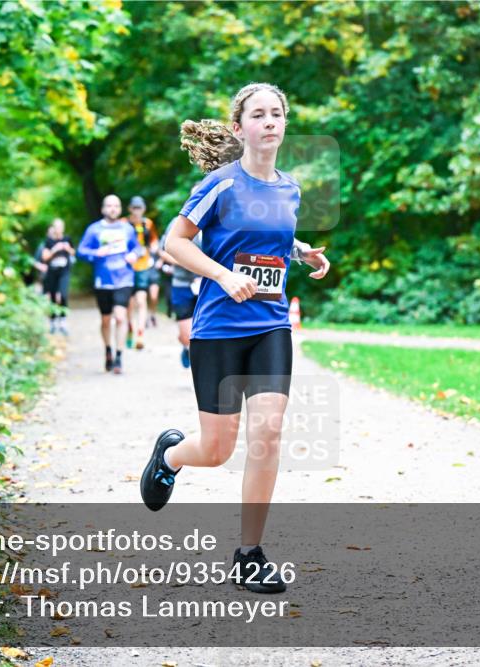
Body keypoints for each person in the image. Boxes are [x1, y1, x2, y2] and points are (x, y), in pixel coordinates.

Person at [139, 83, 331, 594]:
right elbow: (175, 241)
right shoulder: (221, 184)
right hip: (219, 329)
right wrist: (223, 275)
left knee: (267, 434)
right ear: (240, 127)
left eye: (276, 114)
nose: (269, 122)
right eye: (258, 114)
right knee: (217, 449)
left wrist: (300, 251)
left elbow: (269, 236)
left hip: (270, 325)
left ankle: (249, 554)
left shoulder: (289, 189)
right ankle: (170, 456)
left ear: (284, 124)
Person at [77, 195, 140, 374]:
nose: (113, 209)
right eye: (109, 206)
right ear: (103, 209)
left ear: (120, 209)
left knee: (120, 317)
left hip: (124, 278)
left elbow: (137, 247)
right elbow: (81, 251)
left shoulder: (127, 229)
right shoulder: (94, 229)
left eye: (116, 206)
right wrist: (95, 253)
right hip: (103, 281)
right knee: (106, 319)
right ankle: (108, 350)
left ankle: (119, 357)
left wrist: (134, 254)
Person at [159, 219, 202, 368]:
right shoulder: (177, 222)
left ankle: (200, 365)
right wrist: (189, 263)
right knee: (186, 335)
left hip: (207, 284)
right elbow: (163, 252)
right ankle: (186, 347)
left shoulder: (217, 222)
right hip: (182, 284)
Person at [124, 196, 158, 350]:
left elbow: (153, 240)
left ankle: (140, 334)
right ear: (130, 209)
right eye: (134, 208)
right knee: (129, 304)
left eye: (140, 208)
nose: (137, 211)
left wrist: (153, 248)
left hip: (143, 266)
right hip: (127, 267)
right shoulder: (124, 224)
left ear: (143, 209)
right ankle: (130, 328)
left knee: (142, 300)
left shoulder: (148, 223)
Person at [40, 218, 74, 335]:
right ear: (53, 228)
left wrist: (67, 248)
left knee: (63, 295)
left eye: (60, 226)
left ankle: (63, 322)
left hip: (64, 271)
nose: (58, 229)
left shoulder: (67, 239)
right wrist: (55, 249)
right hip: (52, 272)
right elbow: (45, 257)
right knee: (53, 296)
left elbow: (73, 253)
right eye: (56, 227)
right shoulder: (49, 241)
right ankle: (53, 323)